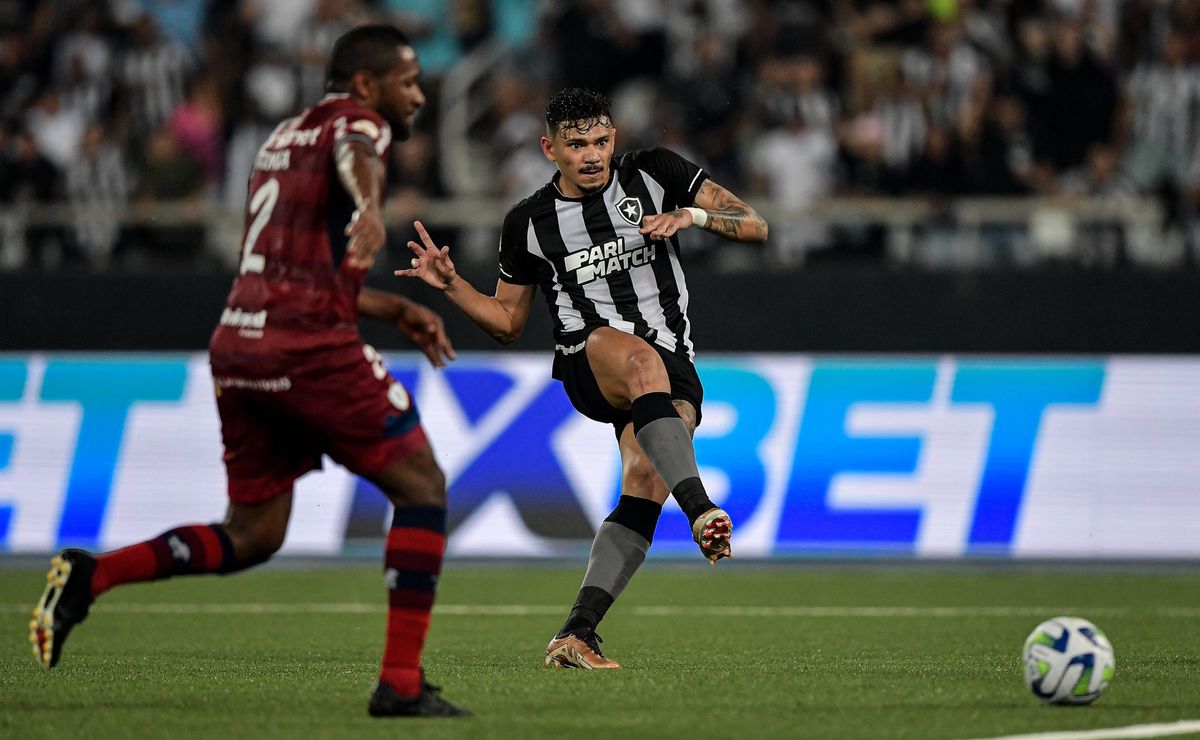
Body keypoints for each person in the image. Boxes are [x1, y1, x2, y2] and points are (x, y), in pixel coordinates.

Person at [30, 25, 470, 718]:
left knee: (255, 534)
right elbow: (361, 155)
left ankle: (92, 575)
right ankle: (401, 684)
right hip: (307, 348)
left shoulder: (281, 137)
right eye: (407, 82)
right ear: (365, 83)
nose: (416, 96)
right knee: (422, 485)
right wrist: (370, 205)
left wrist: (388, 306)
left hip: (239, 344)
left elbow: (285, 269)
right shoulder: (359, 124)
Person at [396, 87, 768, 669]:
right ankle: (701, 511)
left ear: (613, 137)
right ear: (550, 149)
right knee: (638, 361)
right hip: (589, 355)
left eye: (599, 141)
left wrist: (690, 216)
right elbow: (506, 322)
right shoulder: (528, 222)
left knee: (645, 479)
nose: (591, 155)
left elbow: (755, 225)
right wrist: (452, 286)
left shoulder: (654, 172)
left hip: (674, 363)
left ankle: (577, 633)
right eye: (576, 145)